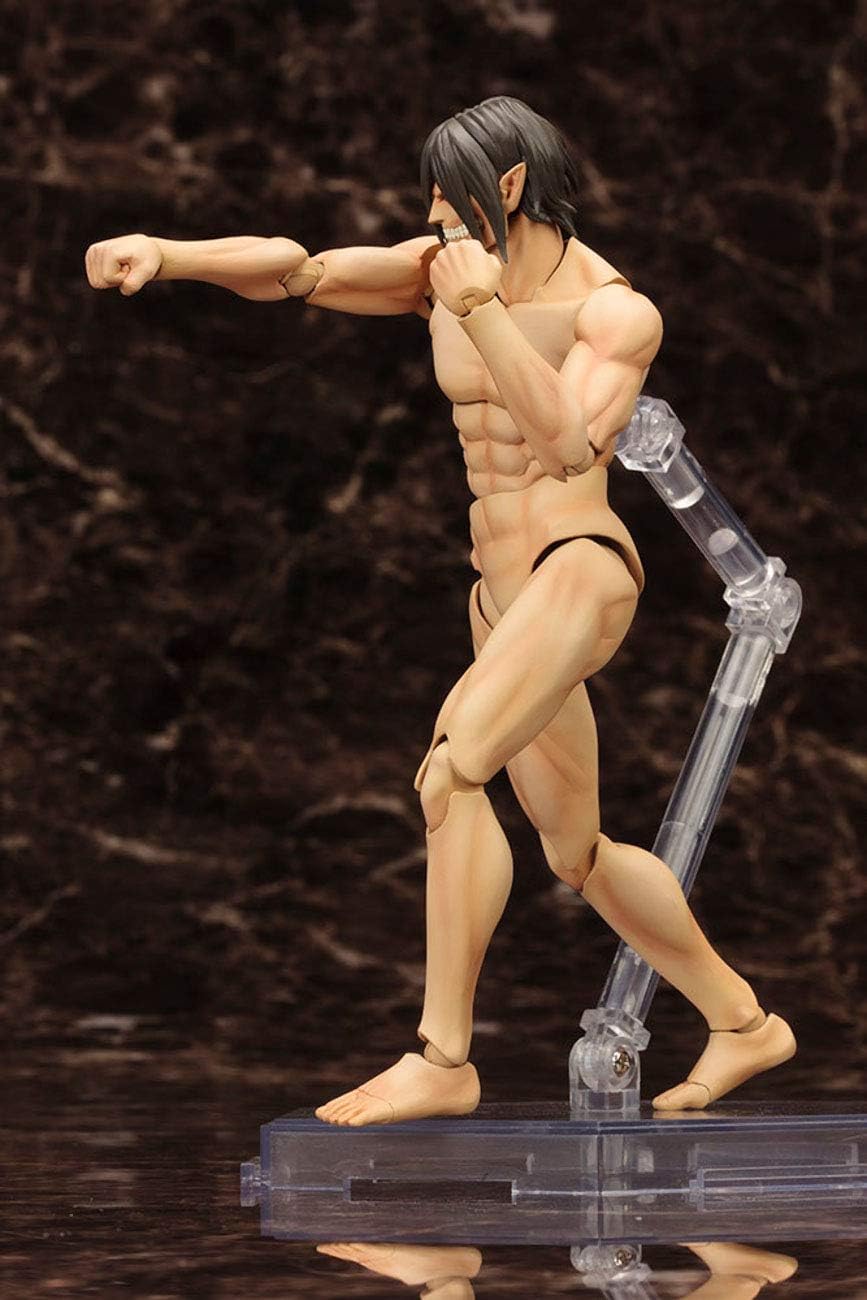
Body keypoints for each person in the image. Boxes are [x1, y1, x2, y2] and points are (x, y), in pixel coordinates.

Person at [86, 96, 796, 1126]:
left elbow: (566, 447)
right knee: (576, 854)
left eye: (448, 196)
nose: (432, 216)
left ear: (508, 185)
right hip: (498, 591)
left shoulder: (612, 312)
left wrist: (481, 312)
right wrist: (168, 253)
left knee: (449, 772)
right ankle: (742, 1021)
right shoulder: (439, 269)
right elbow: (298, 270)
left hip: (576, 566)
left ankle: (443, 1055)